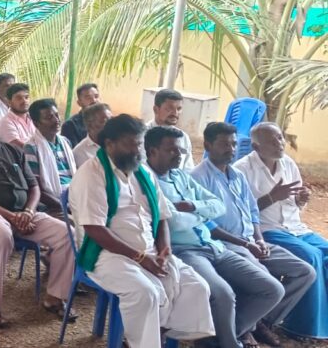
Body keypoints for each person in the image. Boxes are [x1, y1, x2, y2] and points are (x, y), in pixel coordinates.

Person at [69, 114, 215, 348]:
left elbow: (163, 216)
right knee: (145, 293)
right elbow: (94, 229)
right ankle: (144, 341)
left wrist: (164, 249)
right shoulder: (92, 174)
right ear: (110, 144)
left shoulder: (143, 172)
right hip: (107, 254)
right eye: (130, 144)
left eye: (139, 144)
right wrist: (140, 257)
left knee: (196, 287)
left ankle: (158, 332)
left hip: (150, 250)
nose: (137, 150)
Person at [145, 126, 284, 348]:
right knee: (223, 294)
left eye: (180, 150)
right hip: (185, 251)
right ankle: (229, 343)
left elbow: (218, 206)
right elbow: (174, 222)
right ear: (153, 151)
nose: (179, 154)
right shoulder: (147, 181)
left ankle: (215, 339)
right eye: (172, 150)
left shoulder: (180, 176)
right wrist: (201, 213)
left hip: (214, 246)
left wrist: (192, 206)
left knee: (273, 289)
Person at [193, 122, 316, 346]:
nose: (231, 149)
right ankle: (230, 334)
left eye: (234, 144)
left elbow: (252, 213)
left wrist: (259, 240)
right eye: (224, 144)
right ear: (208, 145)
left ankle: (260, 322)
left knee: (305, 272)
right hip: (227, 244)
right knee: (267, 282)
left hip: (251, 240)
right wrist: (247, 245)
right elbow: (206, 225)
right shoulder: (199, 178)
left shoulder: (237, 175)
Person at [0, 105, 77, 328]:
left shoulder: (13, 151)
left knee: (66, 233)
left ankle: (55, 297)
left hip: (24, 213)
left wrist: (29, 212)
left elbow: (34, 187)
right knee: (1, 234)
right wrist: (12, 217)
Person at [234, 122, 328, 340]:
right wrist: (271, 198)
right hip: (267, 230)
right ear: (256, 147)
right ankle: (302, 326)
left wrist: (301, 199)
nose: (280, 143)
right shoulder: (242, 170)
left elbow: (295, 202)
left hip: (295, 227)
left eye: (280, 138)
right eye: (272, 140)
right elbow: (241, 212)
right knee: (311, 257)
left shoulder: (288, 163)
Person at [24, 99, 76, 212]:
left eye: (56, 115)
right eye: (49, 118)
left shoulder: (65, 142)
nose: (56, 120)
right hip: (53, 204)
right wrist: (64, 206)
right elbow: (36, 188)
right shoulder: (31, 148)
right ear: (36, 123)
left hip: (75, 195)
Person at [148, 89, 195, 170]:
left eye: (179, 109)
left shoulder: (183, 137)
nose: (175, 113)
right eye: (169, 109)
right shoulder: (142, 135)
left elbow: (188, 170)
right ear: (156, 109)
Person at [73, 103, 111, 168]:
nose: (110, 124)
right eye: (104, 121)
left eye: (111, 120)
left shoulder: (117, 145)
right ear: (90, 125)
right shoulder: (79, 152)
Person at [0, 83, 34, 149]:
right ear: (9, 102)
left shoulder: (34, 117)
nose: (24, 101)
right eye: (19, 98)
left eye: (26, 97)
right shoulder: (6, 122)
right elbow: (17, 145)